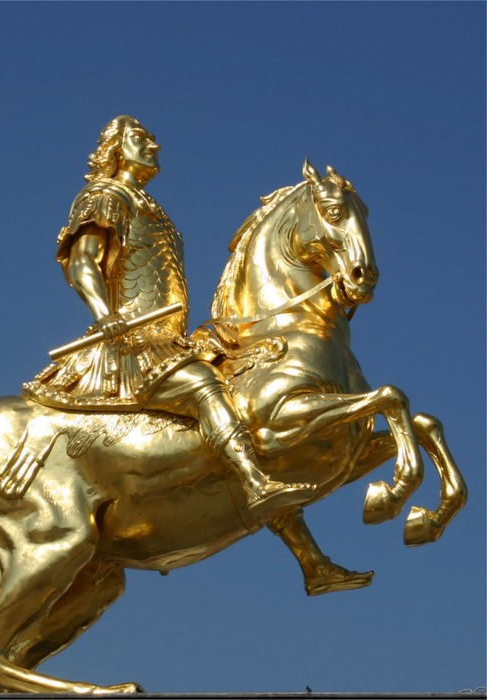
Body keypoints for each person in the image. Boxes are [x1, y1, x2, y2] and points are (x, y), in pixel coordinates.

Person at [23, 115, 314, 521]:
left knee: (246, 400)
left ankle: (311, 560)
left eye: (153, 139)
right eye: (140, 138)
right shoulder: (105, 196)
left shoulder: (151, 207)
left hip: (169, 341)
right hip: (131, 345)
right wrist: (106, 314)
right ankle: (254, 482)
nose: (154, 146)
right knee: (204, 386)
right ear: (115, 149)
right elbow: (83, 262)